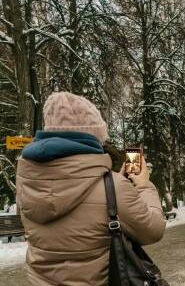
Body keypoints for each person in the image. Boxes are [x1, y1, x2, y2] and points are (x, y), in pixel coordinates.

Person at [16, 92, 165, 285]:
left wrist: (115, 182)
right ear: (93, 136)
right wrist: (144, 186)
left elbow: (79, 200)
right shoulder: (113, 188)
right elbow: (152, 230)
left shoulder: (27, 181)